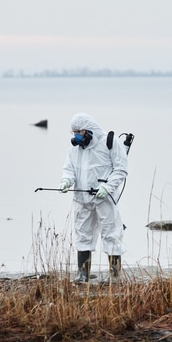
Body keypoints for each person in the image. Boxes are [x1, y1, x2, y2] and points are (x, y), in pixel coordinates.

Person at [60, 112, 128, 282]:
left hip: (104, 198)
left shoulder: (109, 143)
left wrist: (106, 187)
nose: (76, 135)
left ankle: (114, 276)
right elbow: (69, 169)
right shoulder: (74, 149)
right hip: (81, 200)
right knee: (82, 234)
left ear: (89, 130)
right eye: (73, 132)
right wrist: (66, 180)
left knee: (111, 234)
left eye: (79, 131)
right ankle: (83, 274)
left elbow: (121, 170)